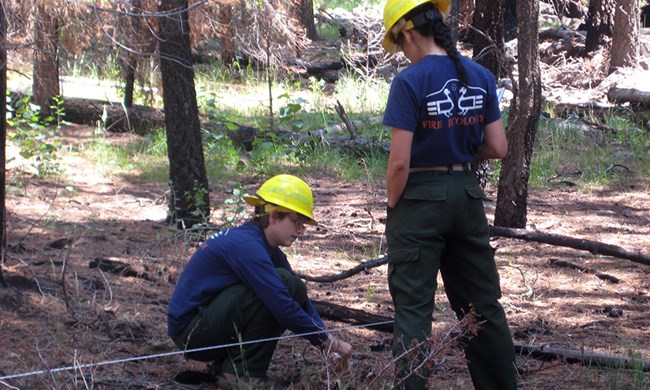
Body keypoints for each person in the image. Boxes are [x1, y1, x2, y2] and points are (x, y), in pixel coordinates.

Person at [381, 0, 518, 389]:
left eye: (399, 43)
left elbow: (399, 164)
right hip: (466, 195)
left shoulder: (409, 82)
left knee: (413, 310)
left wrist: (394, 204)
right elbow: (498, 146)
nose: (403, 53)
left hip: (419, 198)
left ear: (407, 33)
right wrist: (454, 149)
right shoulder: (479, 75)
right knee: (482, 306)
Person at [167, 174, 352, 387]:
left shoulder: (265, 247)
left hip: (204, 326)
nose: (301, 230)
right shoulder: (247, 247)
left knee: (289, 285)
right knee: (281, 287)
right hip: (192, 334)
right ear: (273, 217)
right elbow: (282, 305)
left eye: (304, 223)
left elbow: (299, 298)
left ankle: (229, 366)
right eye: (296, 221)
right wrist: (328, 342)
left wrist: (325, 343)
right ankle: (241, 376)